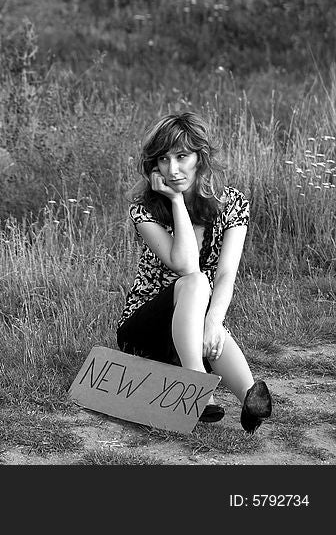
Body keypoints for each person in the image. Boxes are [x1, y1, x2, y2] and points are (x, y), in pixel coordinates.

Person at [116, 111, 272, 433]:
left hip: (194, 325)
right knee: (196, 280)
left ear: (200, 158)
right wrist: (175, 200)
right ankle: (198, 381)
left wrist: (215, 321)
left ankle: (249, 396)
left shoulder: (232, 204)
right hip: (146, 329)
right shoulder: (144, 208)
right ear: (153, 166)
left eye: (182, 157)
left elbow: (228, 273)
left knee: (206, 315)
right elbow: (185, 264)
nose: (173, 169)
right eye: (163, 159)